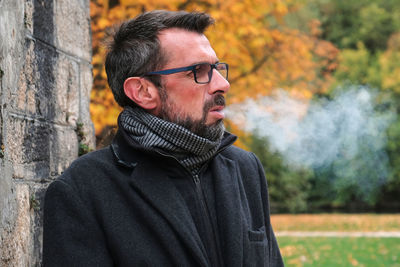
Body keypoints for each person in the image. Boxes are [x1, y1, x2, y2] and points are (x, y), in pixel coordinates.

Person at [43, 10, 284, 267]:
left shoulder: (245, 168)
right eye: (198, 71)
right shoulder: (82, 190)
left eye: (216, 68)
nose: (222, 83)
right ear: (143, 92)